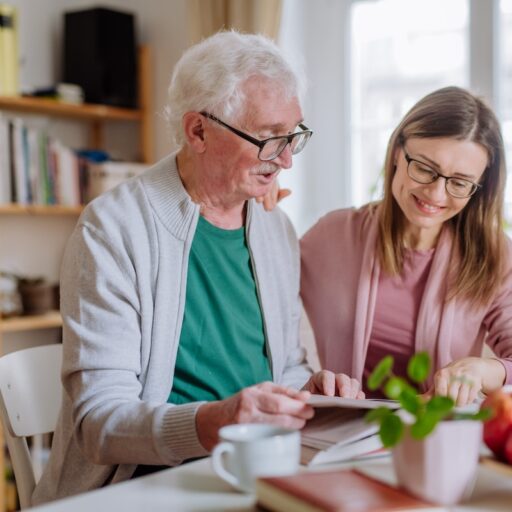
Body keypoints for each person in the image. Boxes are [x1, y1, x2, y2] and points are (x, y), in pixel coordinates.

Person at [32, 31, 363, 505]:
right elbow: (99, 424)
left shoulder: (275, 230)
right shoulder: (112, 228)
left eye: (294, 136)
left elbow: (284, 365)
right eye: (269, 139)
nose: (287, 159)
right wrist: (213, 423)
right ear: (198, 131)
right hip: (142, 487)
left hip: (249, 473)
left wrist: (306, 394)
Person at [300, 86, 512, 407]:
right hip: (341, 437)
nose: (436, 195)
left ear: (479, 188)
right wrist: (255, 210)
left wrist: (483, 369)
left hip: (440, 439)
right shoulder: (331, 236)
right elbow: (259, 301)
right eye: (425, 168)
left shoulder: (493, 256)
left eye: (458, 183)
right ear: (398, 151)